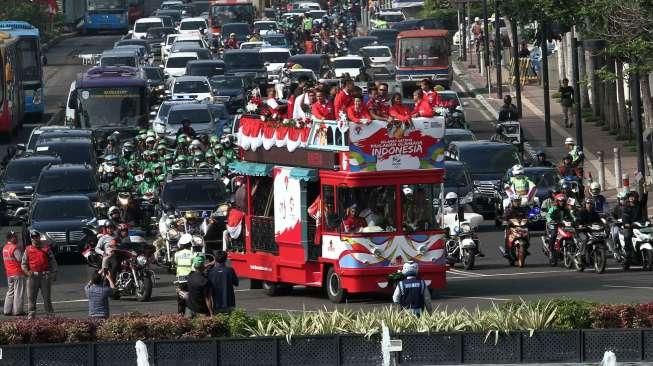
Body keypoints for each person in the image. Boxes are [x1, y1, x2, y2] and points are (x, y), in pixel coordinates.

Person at [21, 230, 57, 319]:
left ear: (39, 237)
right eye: (33, 237)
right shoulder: (28, 249)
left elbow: (53, 262)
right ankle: (31, 315)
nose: (35, 239)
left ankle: (50, 315)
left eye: (36, 237)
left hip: (45, 276)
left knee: (47, 298)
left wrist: (54, 273)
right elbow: (23, 263)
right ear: (31, 239)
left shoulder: (46, 248)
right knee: (31, 298)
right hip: (32, 276)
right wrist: (27, 272)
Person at [545, 193, 575, 260]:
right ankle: (551, 250)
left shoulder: (566, 209)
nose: (561, 202)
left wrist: (575, 220)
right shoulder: (553, 208)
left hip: (563, 226)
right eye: (560, 201)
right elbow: (548, 215)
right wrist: (550, 220)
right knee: (553, 235)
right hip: (554, 225)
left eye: (563, 201)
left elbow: (571, 216)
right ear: (557, 201)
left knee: (573, 234)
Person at [3, 231, 26, 316]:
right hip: (17, 272)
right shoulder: (14, 248)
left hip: (9, 273)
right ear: (11, 238)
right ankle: (18, 311)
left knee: (10, 291)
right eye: (15, 237)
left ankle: (7, 310)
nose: (17, 238)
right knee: (19, 292)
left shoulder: (5, 247)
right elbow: (20, 259)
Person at [174, 234, 195, 314]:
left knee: (181, 298)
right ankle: (192, 315)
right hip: (191, 277)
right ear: (190, 244)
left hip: (181, 279)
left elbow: (176, 263)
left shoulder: (177, 254)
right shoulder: (192, 253)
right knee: (192, 297)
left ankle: (180, 316)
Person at [621, 191, 642, 267]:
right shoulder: (626, 207)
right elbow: (624, 216)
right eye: (630, 197)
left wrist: (645, 191)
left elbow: (644, 201)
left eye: (633, 196)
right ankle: (628, 256)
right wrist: (626, 223)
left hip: (638, 225)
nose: (631, 198)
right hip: (628, 226)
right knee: (627, 236)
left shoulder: (638, 205)